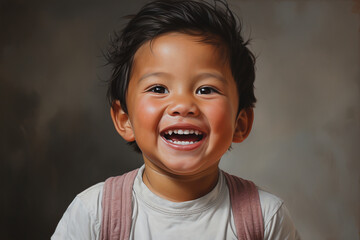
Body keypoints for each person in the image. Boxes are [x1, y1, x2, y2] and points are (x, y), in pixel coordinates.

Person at [52, 0, 300, 239]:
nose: (183, 106)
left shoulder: (265, 218)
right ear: (124, 120)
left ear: (240, 123)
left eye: (206, 90)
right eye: (158, 88)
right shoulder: (94, 214)